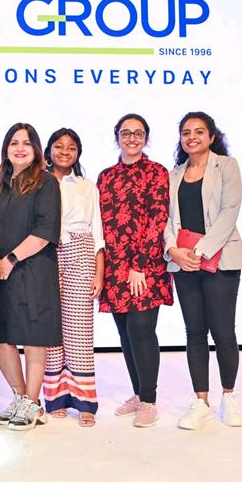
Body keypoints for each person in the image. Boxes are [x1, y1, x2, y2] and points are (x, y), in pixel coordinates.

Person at [163, 111, 242, 430]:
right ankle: (200, 400)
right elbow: (168, 221)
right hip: (183, 261)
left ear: (212, 137)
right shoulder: (174, 174)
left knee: (223, 331)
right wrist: (174, 250)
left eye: (199, 131)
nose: (192, 137)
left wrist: (199, 252)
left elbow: (230, 212)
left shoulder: (227, 166)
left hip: (221, 259)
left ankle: (229, 396)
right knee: (195, 332)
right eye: (186, 132)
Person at [0, 123, 62, 431]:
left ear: (36, 149)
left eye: (26, 143)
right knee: (1, 336)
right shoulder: (0, 185)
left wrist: (12, 259)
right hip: (1, 272)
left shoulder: (46, 182)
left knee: (33, 337)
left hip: (32, 270)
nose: (19, 148)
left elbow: (45, 229)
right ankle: (19, 398)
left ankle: (33, 402)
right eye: (13, 142)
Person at [96, 113, 173, 428]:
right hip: (115, 268)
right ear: (117, 136)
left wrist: (139, 265)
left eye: (138, 133)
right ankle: (139, 394)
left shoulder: (156, 173)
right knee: (126, 334)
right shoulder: (105, 176)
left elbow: (158, 219)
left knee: (142, 331)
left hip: (145, 267)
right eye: (125, 133)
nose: (131, 138)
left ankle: (150, 401)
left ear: (146, 137)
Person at [40, 128, 104, 427]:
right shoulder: (37, 181)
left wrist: (99, 271)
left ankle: (84, 401)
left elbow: (98, 230)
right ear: (49, 149)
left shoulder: (87, 186)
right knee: (51, 327)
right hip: (47, 251)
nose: (65, 152)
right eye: (59, 146)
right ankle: (55, 397)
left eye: (71, 147)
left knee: (79, 326)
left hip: (81, 250)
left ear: (78, 152)